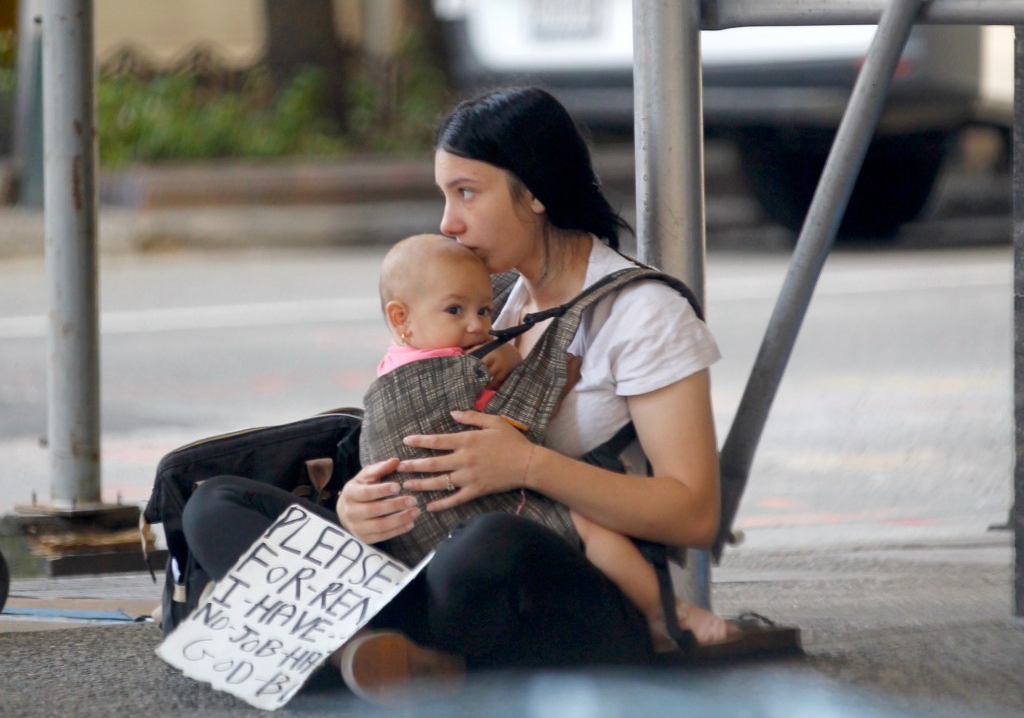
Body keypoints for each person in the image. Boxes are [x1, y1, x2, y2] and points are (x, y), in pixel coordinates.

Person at [182, 86, 727, 705]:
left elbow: (693, 513)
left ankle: (333, 648)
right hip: (428, 565)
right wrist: (361, 508)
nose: (448, 223)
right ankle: (387, 656)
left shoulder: (641, 313)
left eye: (466, 192)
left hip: (553, 586)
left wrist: (528, 465)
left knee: (490, 544)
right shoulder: (488, 296)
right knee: (216, 503)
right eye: (445, 196)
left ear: (536, 191)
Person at [367, 231, 733, 653]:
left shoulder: (397, 361)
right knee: (590, 528)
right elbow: (507, 425)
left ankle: (387, 653)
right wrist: (549, 374)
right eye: (455, 310)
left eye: (484, 310)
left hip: (420, 542)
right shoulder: (451, 370)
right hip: (462, 515)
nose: (478, 325)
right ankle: (662, 612)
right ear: (401, 319)